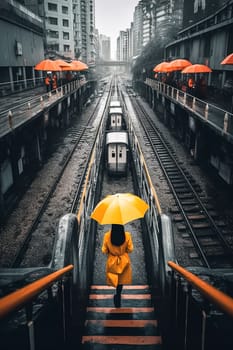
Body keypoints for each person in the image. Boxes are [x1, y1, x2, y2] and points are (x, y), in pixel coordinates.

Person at [102, 224, 134, 308]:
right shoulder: (127, 235)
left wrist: (111, 251)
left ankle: (116, 290)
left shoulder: (107, 236)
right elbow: (130, 249)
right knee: (121, 279)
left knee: (114, 276)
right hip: (123, 261)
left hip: (112, 261)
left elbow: (104, 250)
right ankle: (118, 293)